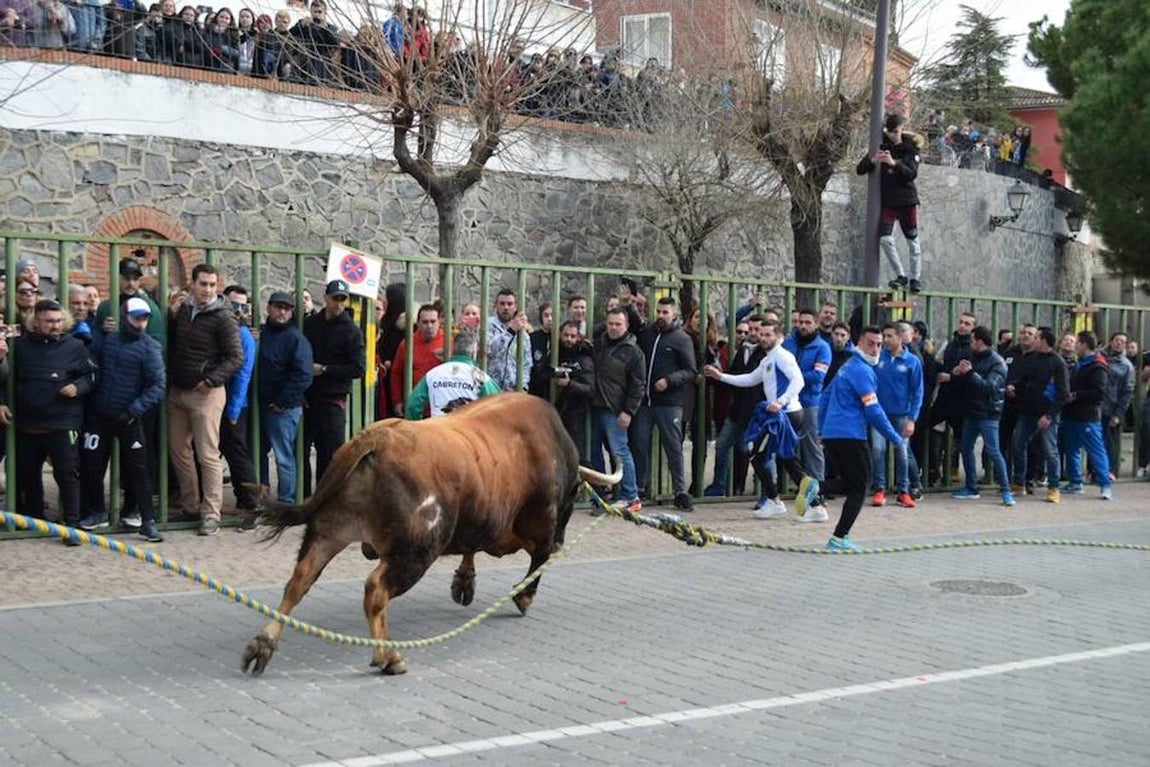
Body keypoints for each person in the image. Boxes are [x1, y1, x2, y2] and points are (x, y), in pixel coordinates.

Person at [705, 318, 824, 522]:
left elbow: (799, 380)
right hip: (778, 415)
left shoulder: (782, 356)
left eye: (768, 334)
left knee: (766, 456)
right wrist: (721, 377)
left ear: (778, 337)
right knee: (776, 458)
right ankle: (777, 500)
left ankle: (811, 505)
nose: (763, 338)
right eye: (762, 334)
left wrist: (781, 401)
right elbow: (751, 378)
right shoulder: (768, 359)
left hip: (786, 415)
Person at [0, 300, 96, 543]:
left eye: (58, 321)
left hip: (63, 423)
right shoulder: (19, 347)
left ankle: (72, 526)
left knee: (67, 474)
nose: (55, 326)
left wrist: (78, 386)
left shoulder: (75, 346)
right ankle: (33, 519)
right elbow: (4, 378)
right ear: (36, 322)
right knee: (26, 474)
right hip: (27, 423)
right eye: (49, 321)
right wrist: (2, 402)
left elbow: (93, 374)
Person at [78, 298, 166, 542]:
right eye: (135, 318)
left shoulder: (150, 348)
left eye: (144, 319)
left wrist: (132, 411)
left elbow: (158, 387)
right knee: (91, 465)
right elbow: (90, 358)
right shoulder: (109, 340)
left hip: (128, 418)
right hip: (99, 415)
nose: (140, 323)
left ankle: (146, 519)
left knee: (139, 470)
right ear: (124, 316)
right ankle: (96, 512)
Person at [167, 263, 243, 536]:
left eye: (212, 285)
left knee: (208, 454)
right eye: (203, 284)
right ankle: (190, 506)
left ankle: (211, 513)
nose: (207, 290)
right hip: (178, 391)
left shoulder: (223, 316)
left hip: (206, 394)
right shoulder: (184, 310)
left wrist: (210, 380)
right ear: (193, 284)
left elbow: (236, 357)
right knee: (178, 450)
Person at [818, 326, 906, 551]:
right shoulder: (862, 370)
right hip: (851, 435)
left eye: (879, 344)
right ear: (858, 342)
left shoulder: (846, 367)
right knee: (860, 487)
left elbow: (825, 396)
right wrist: (895, 438)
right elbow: (873, 410)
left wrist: (822, 430)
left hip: (833, 433)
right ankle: (839, 537)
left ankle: (814, 487)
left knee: (849, 482)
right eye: (871, 343)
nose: (876, 348)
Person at [251, 291, 313, 527]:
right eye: (278, 307)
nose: (282, 312)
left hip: (283, 408)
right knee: (259, 454)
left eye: (287, 308)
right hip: (261, 405)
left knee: (284, 456)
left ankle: (285, 504)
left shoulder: (295, 339)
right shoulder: (262, 334)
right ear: (269, 308)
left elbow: (304, 374)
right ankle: (264, 502)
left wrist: (283, 400)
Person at [630, 296, 696, 511]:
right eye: (658, 311)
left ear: (674, 314)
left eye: (665, 312)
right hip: (645, 402)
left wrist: (669, 381)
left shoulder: (681, 339)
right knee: (639, 444)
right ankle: (639, 488)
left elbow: (690, 371)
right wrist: (630, 303)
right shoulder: (647, 334)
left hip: (670, 402)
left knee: (673, 447)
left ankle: (680, 491)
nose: (660, 316)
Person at [303, 279, 366, 493]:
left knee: (330, 453)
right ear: (326, 298)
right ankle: (302, 494)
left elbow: (358, 368)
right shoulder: (312, 324)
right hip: (308, 396)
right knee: (301, 448)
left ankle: (326, 496)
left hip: (333, 398)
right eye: (335, 298)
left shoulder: (351, 331)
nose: (339, 303)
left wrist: (326, 369)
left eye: (342, 299)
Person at [856, 113, 925, 293]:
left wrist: (894, 163)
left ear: (901, 129)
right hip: (889, 202)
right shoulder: (882, 146)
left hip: (906, 200)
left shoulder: (910, 150)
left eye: (895, 131)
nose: (893, 135)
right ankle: (900, 275)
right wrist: (874, 160)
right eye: (890, 132)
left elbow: (911, 174)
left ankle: (915, 278)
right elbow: (860, 169)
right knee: (885, 238)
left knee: (912, 239)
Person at [589, 307, 645, 513]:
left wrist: (628, 411)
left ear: (626, 326)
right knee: (594, 453)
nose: (613, 328)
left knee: (620, 452)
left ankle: (631, 496)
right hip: (595, 407)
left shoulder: (633, 352)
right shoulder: (598, 344)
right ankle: (602, 493)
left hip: (616, 410)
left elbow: (638, 385)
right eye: (610, 323)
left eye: (618, 324)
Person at [950, 326, 1014, 507]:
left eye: (972, 340)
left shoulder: (997, 362)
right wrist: (958, 375)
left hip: (988, 413)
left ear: (980, 341)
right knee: (966, 447)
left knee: (993, 451)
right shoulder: (972, 357)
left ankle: (1006, 490)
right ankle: (971, 487)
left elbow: (989, 387)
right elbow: (968, 383)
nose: (970, 343)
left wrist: (970, 373)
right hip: (971, 411)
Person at [705, 317, 765, 496]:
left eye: (756, 330)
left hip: (758, 410)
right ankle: (719, 485)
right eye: (750, 329)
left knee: (759, 452)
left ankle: (766, 491)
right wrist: (719, 376)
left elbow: (752, 380)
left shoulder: (768, 354)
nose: (752, 333)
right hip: (738, 409)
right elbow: (736, 376)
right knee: (723, 444)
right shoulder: (743, 350)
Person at [1010, 326, 1069, 503]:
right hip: (1027, 411)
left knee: (1050, 450)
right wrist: (1014, 388)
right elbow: (1024, 381)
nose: (1032, 340)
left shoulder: (1057, 363)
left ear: (1043, 341)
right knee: (1018, 444)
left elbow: (1063, 393)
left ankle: (1053, 487)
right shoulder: (1030, 358)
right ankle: (1020, 482)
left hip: (1046, 414)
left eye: (1036, 337)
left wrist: (1049, 415)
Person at [871, 322, 923, 508]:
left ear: (901, 338)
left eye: (889, 336)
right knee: (878, 450)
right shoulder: (877, 358)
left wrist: (912, 418)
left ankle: (903, 491)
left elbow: (917, 392)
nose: (885, 340)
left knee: (901, 452)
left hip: (901, 415)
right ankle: (879, 489)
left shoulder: (912, 361)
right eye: (884, 336)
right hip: (879, 414)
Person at [220, 285, 258, 516]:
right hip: (219, 399)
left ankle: (250, 502)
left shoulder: (243, 335)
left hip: (235, 404)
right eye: (233, 304)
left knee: (237, 453)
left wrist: (233, 408)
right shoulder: (224, 329)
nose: (238, 310)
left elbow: (244, 375)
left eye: (242, 306)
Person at [1061, 330, 1114, 500]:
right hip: (1073, 414)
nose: (1075, 346)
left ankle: (1105, 485)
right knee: (1072, 449)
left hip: (1088, 415)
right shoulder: (1081, 363)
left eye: (1077, 342)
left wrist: (1076, 395)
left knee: (1095, 449)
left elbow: (1099, 392)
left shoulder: (1098, 366)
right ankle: (1075, 482)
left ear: (1084, 344)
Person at [404, 329, 501, 419]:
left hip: (436, 431)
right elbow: (499, 406)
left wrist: (419, 429)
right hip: (467, 434)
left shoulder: (433, 374)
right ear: (474, 353)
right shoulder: (481, 377)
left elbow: (413, 405)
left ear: (452, 351)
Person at [781, 307, 830, 485]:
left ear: (816, 324)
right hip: (789, 401)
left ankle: (818, 486)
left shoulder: (823, 347)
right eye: (800, 322)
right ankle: (794, 484)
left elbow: (818, 376)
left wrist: (794, 376)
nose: (803, 326)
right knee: (789, 445)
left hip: (810, 402)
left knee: (811, 445)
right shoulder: (788, 343)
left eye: (808, 322)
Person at [388, 303, 445, 417]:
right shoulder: (407, 343)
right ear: (418, 323)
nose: (429, 326)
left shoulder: (449, 342)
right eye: (425, 322)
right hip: (415, 406)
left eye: (433, 322)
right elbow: (397, 373)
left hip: (441, 406)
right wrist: (397, 401)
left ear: (439, 322)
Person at [94, 256, 164, 346]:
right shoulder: (105, 307)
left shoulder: (149, 307)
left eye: (135, 279)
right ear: (117, 278)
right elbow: (94, 340)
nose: (131, 283)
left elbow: (158, 342)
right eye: (127, 278)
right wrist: (102, 330)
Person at [553, 320, 595, 463]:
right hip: (555, 411)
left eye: (572, 336)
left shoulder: (584, 358)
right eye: (566, 335)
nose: (568, 339)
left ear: (578, 337)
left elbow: (590, 389)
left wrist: (569, 383)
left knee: (575, 456)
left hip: (575, 415)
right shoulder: (555, 352)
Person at [1100, 332, 1134, 477]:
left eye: (1123, 341)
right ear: (1111, 341)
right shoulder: (1100, 357)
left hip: (1111, 408)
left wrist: (1118, 414)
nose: (1119, 343)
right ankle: (1093, 470)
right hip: (1096, 406)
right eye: (1117, 340)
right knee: (1095, 441)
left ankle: (1109, 471)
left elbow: (1128, 392)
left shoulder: (1127, 366)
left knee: (1110, 442)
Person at [486, 289, 532, 392]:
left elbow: (527, 363)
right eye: (502, 304)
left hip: (513, 390)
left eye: (509, 304)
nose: (506, 307)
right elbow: (489, 349)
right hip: (490, 388)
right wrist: (510, 332)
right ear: (496, 306)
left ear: (515, 307)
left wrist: (523, 386)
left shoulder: (523, 334)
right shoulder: (487, 326)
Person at [528, 302, 554, 399]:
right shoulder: (532, 338)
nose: (550, 319)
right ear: (540, 317)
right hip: (536, 388)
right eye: (546, 315)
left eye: (552, 315)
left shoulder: (560, 338)